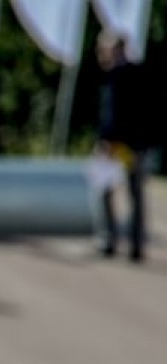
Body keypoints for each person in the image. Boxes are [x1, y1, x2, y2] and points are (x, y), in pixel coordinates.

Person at [94, 32, 155, 263]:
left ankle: (109, 240)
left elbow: (112, 114)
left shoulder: (115, 76)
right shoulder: (141, 72)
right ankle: (136, 245)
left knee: (107, 191)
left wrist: (107, 141)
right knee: (135, 195)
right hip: (137, 145)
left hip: (117, 146)